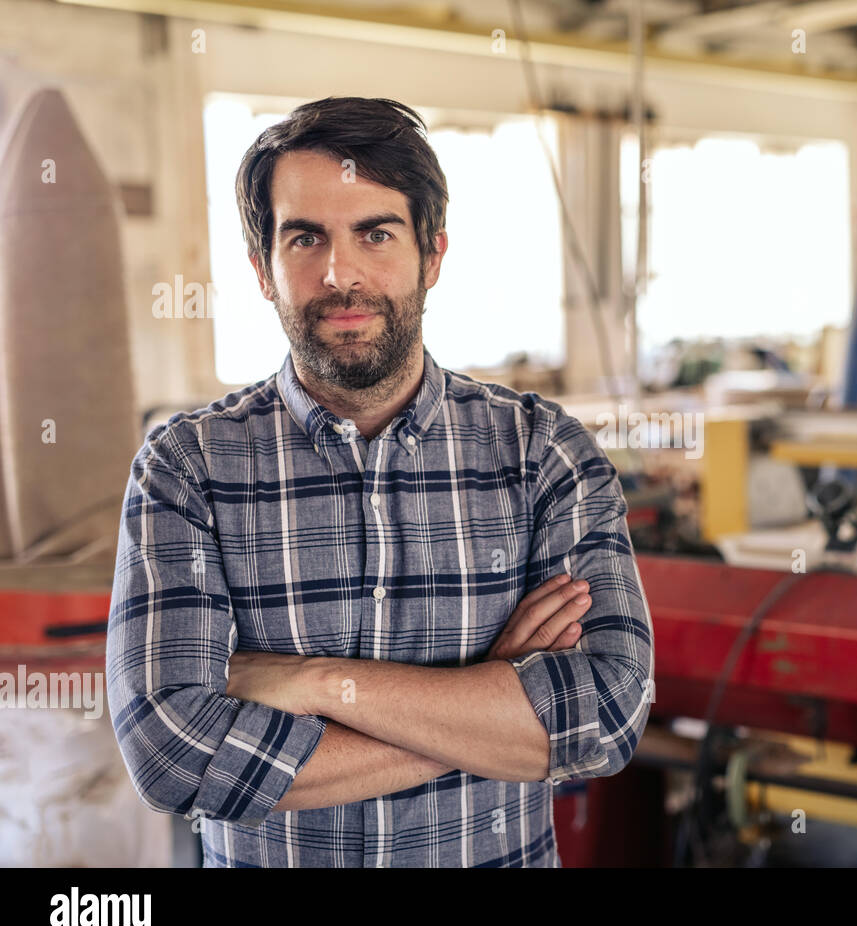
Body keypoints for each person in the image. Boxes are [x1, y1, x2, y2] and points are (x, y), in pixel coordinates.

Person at [106, 96, 655, 867]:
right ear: (263, 268)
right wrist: (488, 709)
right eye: (306, 237)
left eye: (375, 233)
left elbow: (606, 715)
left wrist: (319, 681)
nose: (342, 274)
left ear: (432, 255)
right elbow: (173, 756)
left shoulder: (542, 453)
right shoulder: (187, 467)